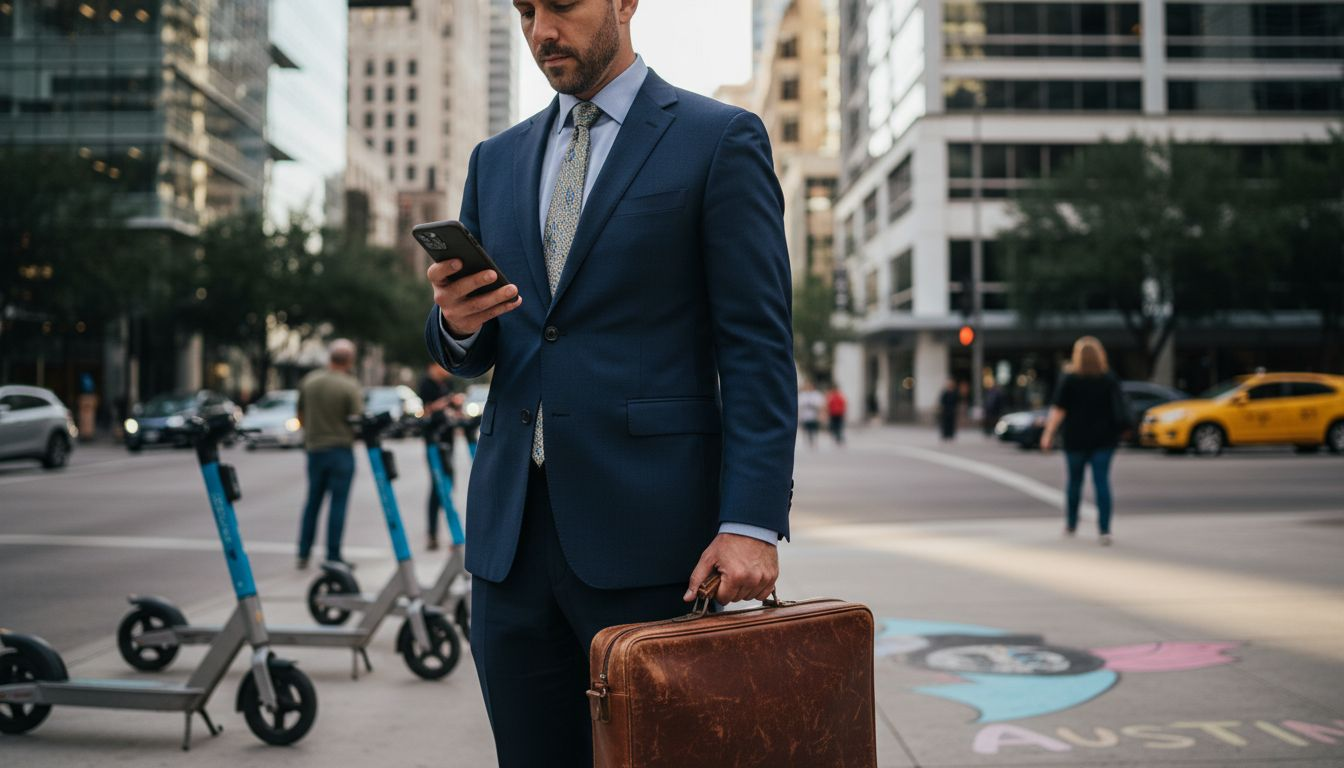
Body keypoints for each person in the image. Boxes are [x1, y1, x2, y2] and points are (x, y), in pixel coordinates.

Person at [421, 2, 796, 765]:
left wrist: (751, 521)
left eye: (561, 6)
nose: (540, 32)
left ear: (625, 3)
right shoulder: (495, 159)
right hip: (509, 548)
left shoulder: (718, 139)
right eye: (525, 11)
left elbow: (756, 346)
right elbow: (478, 346)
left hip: (654, 542)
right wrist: (456, 322)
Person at [1040, 336, 1125, 546]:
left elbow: (1059, 410)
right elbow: (1118, 409)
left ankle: (1071, 524)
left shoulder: (1070, 378)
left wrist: (1048, 433)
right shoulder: (1108, 379)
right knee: (1102, 482)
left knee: (1074, 483)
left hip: (1075, 439)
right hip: (1104, 439)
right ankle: (1105, 530)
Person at [295, 339, 363, 569]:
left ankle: (303, 552)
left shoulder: (310, 381)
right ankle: (333, 556)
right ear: (350, 360)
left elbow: (300, 413)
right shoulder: (349, 385)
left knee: (312, 502)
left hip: (315, 449)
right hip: (341, 450)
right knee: (338, 504)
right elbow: (357, 419)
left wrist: (311, 433)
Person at [417, 362, 455, 550]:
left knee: (449, 486)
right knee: (437, 487)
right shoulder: (426, 384)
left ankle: (453, 533)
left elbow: (454, 409)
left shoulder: (447, 384)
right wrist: (440, 405)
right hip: (433, 440)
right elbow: (424, 411)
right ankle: (432, 533)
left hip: (448, 439)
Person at [798, 380, 825, 447]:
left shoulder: (817, 394)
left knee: (814, 429)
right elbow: (799, 405)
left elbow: (821, 405)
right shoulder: (802, 395)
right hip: (805, 416)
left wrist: (821, 413)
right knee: (806, 429)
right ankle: (808, 440)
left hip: (814, 415)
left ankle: (813, 441)